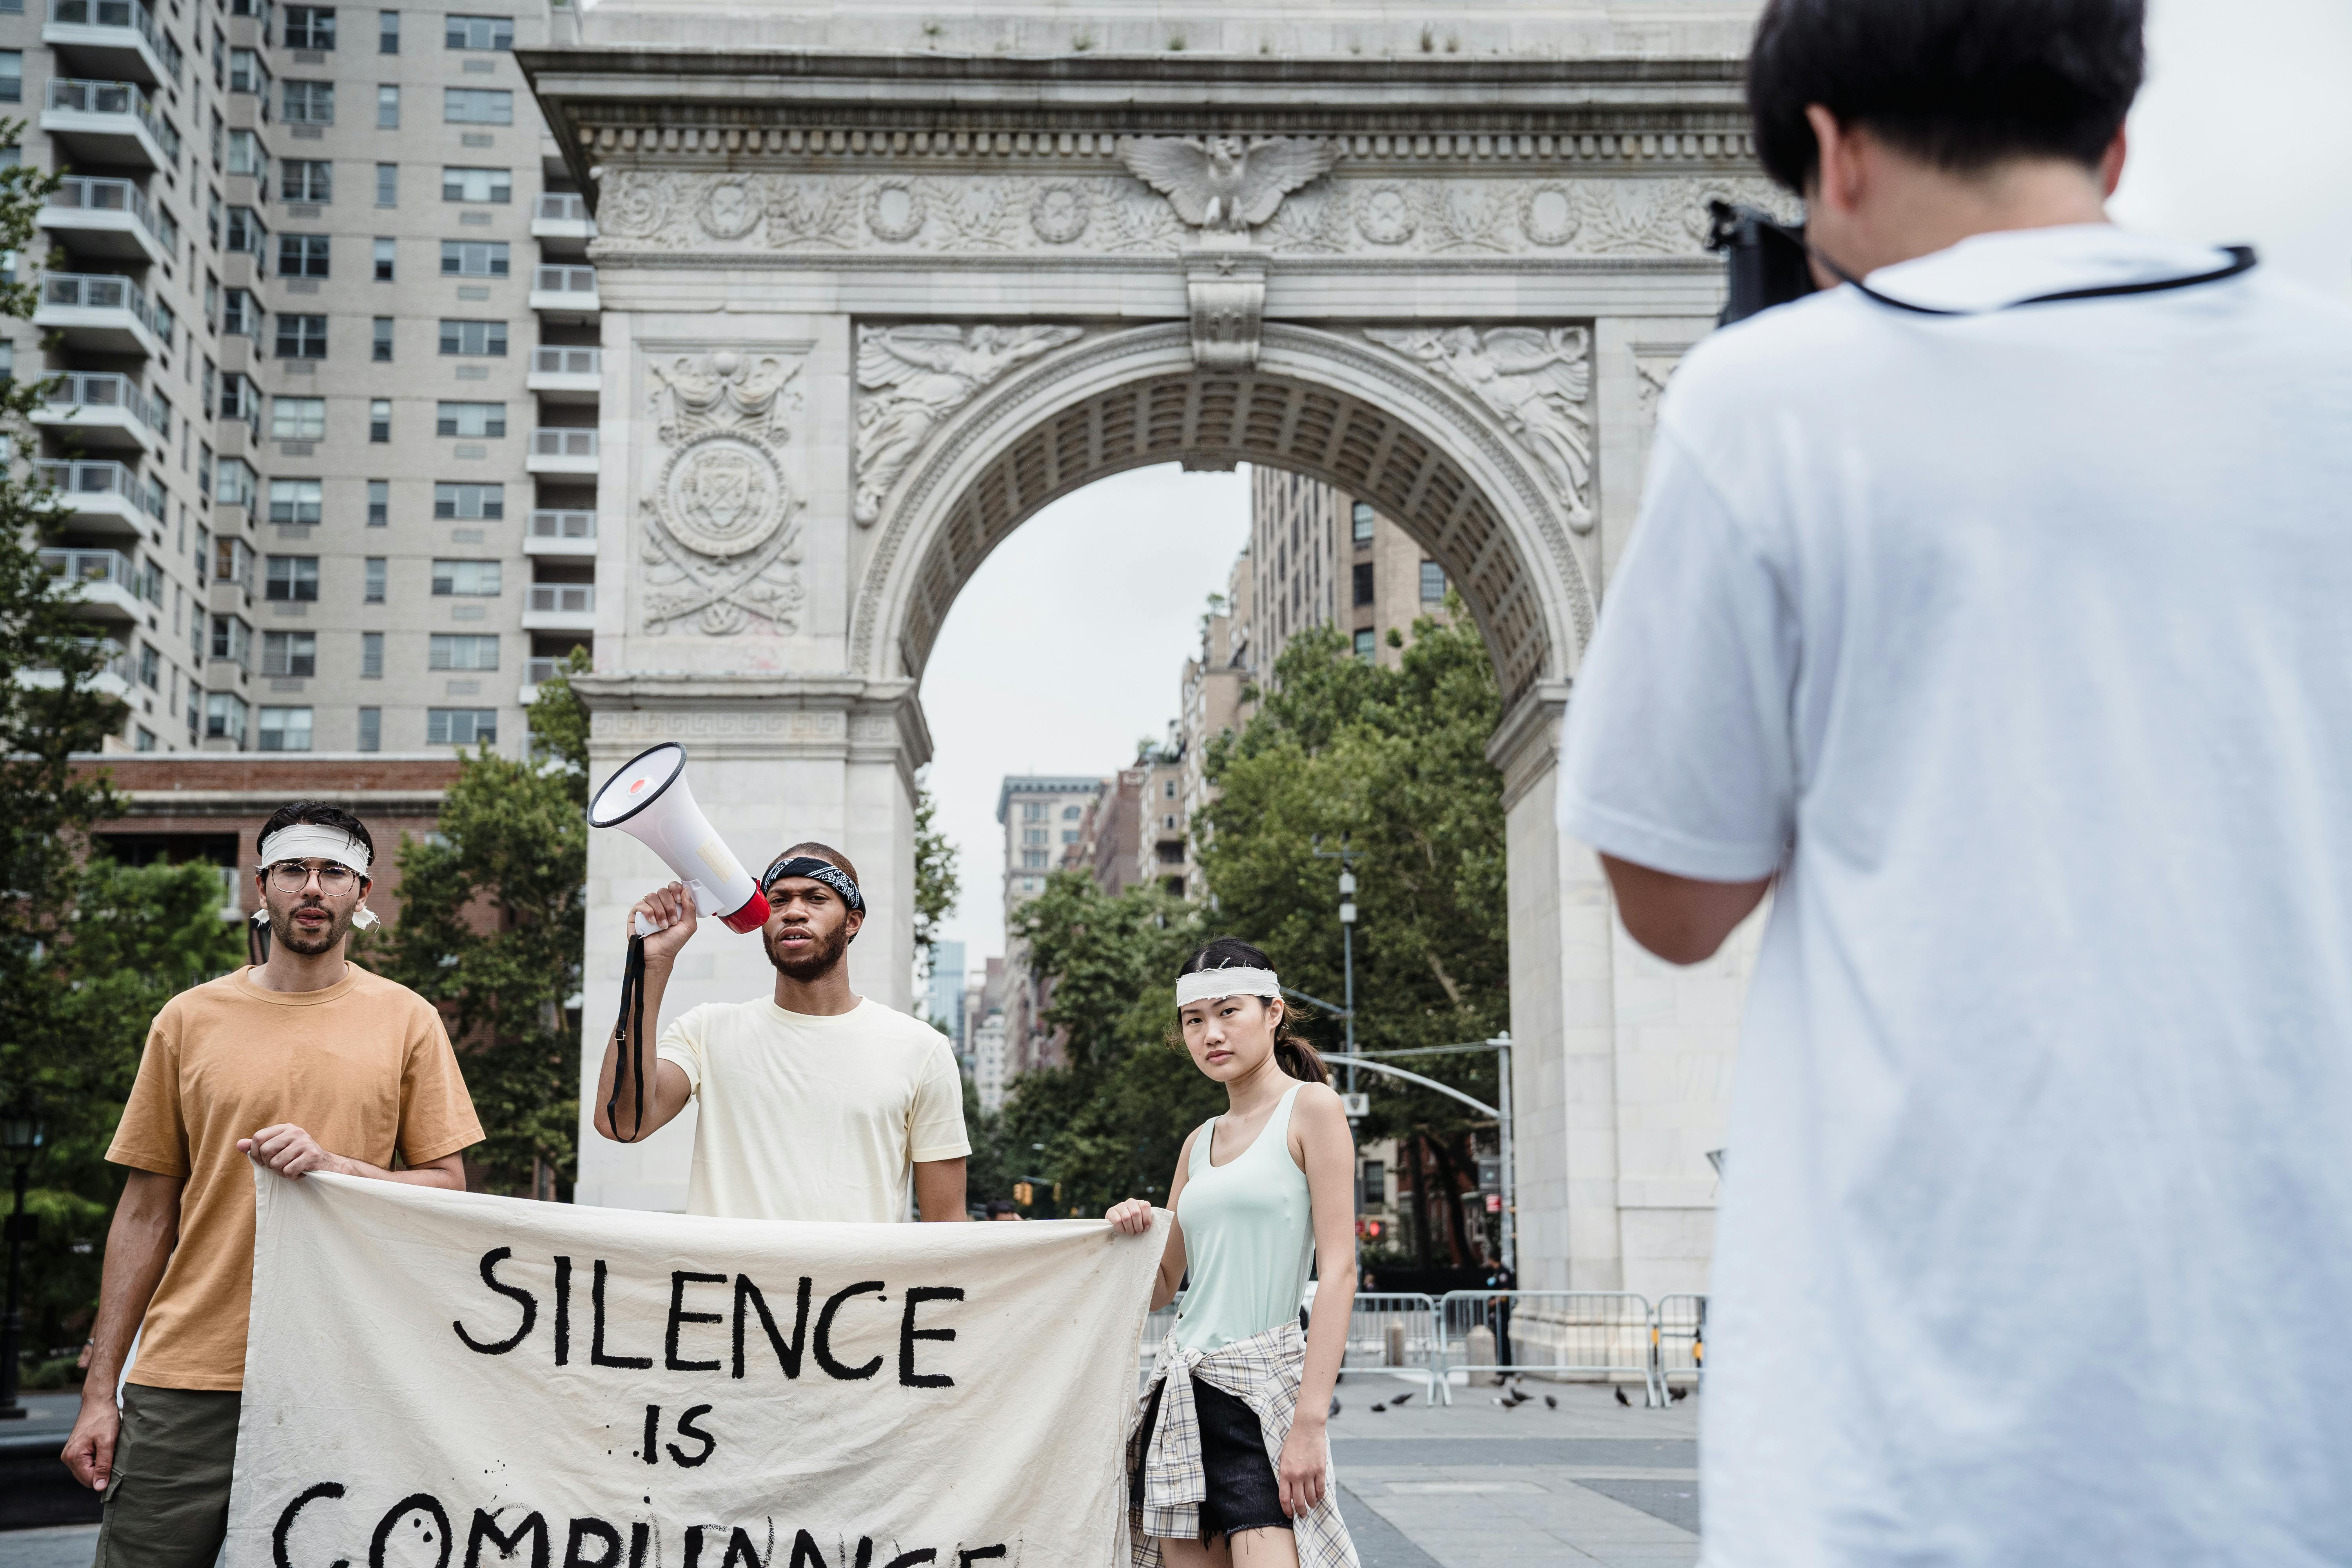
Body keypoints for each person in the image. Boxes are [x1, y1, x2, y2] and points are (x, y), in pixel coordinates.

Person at [1557, 0, 2352, 1562]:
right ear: (2113, 137)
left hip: (1914, 1435)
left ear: (1832, 152)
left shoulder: (1770, 399)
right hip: (2295, 1404)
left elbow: (1670, 895)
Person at [60, 803, 484, 1566]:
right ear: (263, 886)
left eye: (333, 871)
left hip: (343, 1367)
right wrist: (99, 1388)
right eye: (294, 869)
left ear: (364, 889)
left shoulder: (409, 1019)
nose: (313, 887)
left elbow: (449, 1187)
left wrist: (339, 1167)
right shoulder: (188, 1018)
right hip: (189, 1369)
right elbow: (144, 1212)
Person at [1109, 939, 1359, 1568]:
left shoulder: (1313, 1110)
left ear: (1273, 1013)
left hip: (1263, 1397)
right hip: (1182, 1399)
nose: (1210, 1034)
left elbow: (1339, 1272)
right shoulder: (1198, 1142)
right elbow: (1164, 1284)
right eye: (1195, 1020)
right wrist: (1128, 1229)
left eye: (1228, 1012)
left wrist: (1310, 1422)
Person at [593, 842, 970, 1221]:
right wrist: (652, 965)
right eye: (778, 900)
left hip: (855, 1283)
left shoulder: (921, 1050)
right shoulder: (707, 1031)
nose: (793, 912)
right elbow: (621, 1123)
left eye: (816, 897)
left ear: (852, 921)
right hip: (729, 1282)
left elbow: (947, 1227)